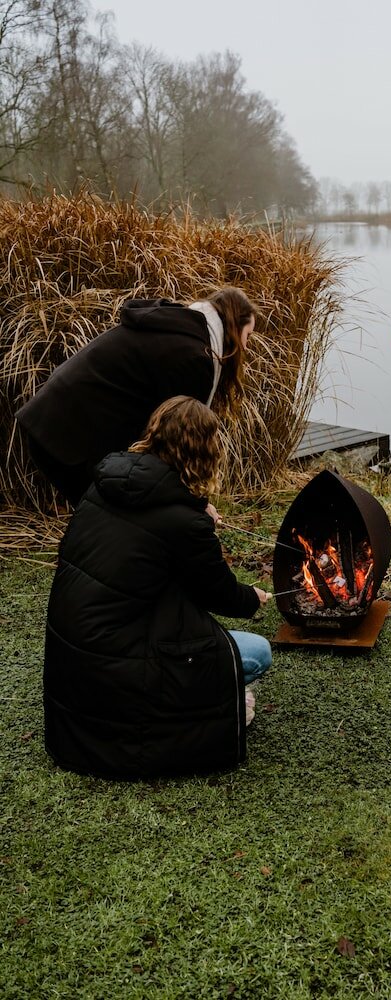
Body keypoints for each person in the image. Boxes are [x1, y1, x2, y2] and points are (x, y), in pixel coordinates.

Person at [43, 395, 273, 780]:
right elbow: (218, 593)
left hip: (76, 665)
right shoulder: (184, 524)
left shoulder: (104, 486)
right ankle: (224, 701)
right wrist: (254, 597)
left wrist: (195, 507)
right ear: (204, 450)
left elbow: (149, 532)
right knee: (255, 653)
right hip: (121, 667)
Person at [17, 285, 257, 506]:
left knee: (109, 518)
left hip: (51, 421)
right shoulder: (195, 357)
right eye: (248, 336)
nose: (246, 347)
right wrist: (196, 505)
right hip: (69, 436)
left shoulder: (175, 329)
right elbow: (176, 446)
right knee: (113, 517)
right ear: (234, 329)